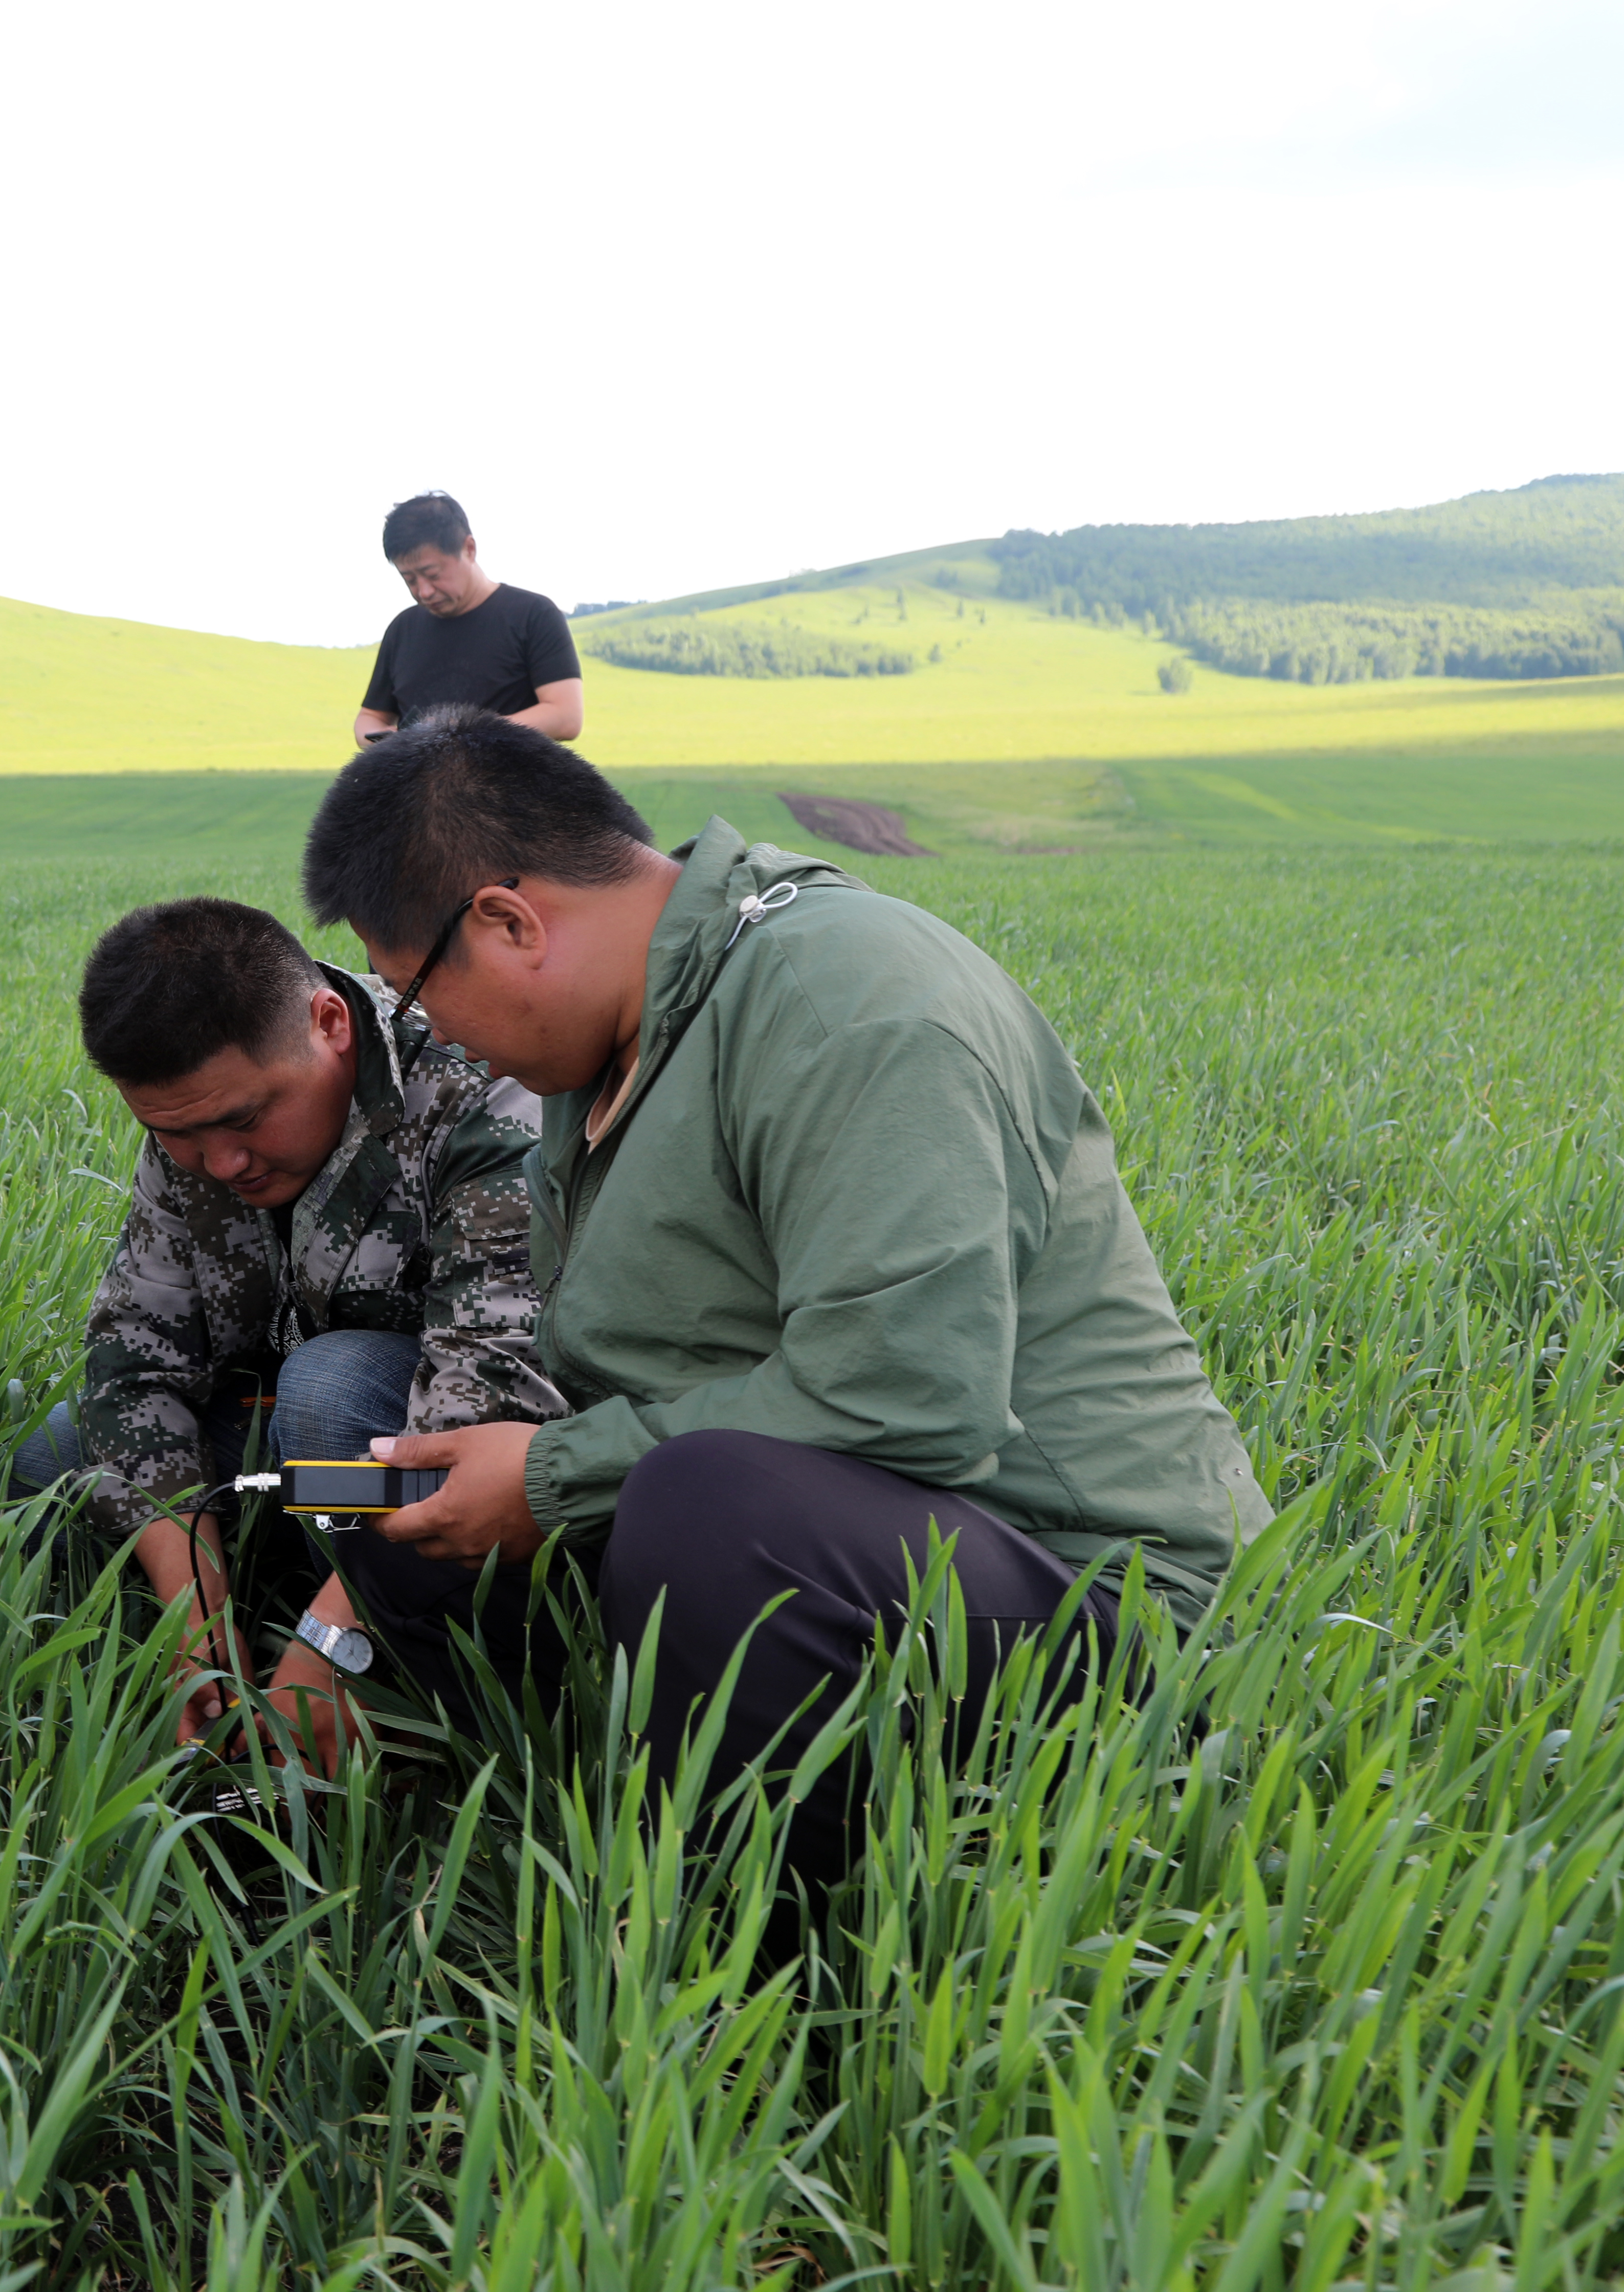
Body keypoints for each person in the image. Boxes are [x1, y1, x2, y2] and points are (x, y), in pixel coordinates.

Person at [297, 712, 1267, 1877]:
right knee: (417, 1505)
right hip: (877, 1543)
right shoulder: (616, 1044)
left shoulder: (846, 1005)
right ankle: (474, 1802)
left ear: (508, 923)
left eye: (414, 996)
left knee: (701, 1508)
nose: (433, 1034)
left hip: (1101, 1602)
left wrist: (556, 1477)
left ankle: (754, 1972)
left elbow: (907, 1401)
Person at [10, 897, 564, 1772]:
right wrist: (197, 1626)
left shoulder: (474, 1094)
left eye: (244, 1119)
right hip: (295, 1457)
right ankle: (210, 1698)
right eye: (175, 1134)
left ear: (330, 1024)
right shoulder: (194, 1133)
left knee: (328, 1388)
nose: (222, 1164)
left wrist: (335, 1634)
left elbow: (487, 1405)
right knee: (56, 1456)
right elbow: (132, 1367)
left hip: (472, 1460)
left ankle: (410, 1704)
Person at [353, 493, 585, 748]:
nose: (424, 591)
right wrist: (385, 743)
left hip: (510, 784)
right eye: (410, 579)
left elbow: (565, 717)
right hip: (416, 787)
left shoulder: (533, 615)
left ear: (469, 549)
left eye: (433, 574)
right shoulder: (403, 629)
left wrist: (461, 734)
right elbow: (370, 717)